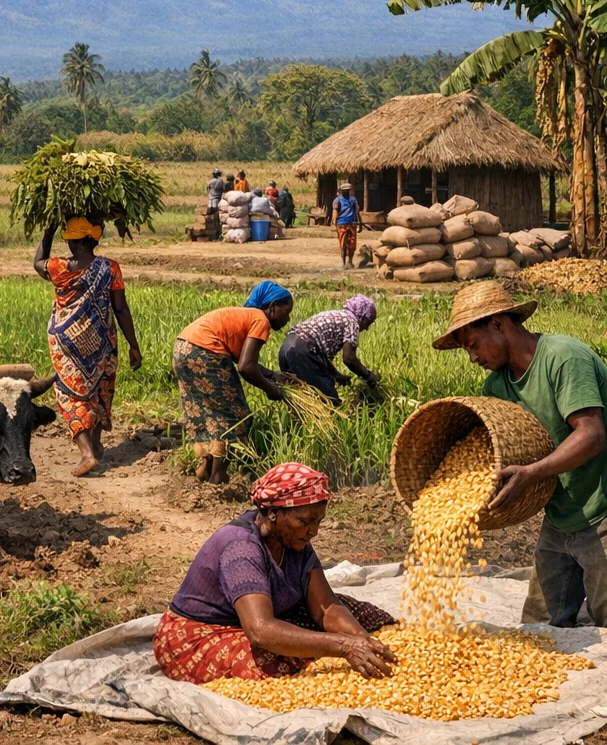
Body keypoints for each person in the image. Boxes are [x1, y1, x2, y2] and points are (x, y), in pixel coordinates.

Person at [434, 282, 607, 628]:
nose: (473, 358)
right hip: (560, 519)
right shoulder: (496, 387)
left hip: (602, 514)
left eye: (473, 344)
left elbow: (591, 434)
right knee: (537, 629)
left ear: (498, 324)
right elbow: (497, 451)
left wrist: (532, 473)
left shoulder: (562, 359)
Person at [154, 463, 396, 683]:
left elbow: (326, 607)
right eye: (305, 521)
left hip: (256, 617)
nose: (314, 531)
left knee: (360, 614)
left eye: (318, 521)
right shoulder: (241, 548)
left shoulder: (294, 540)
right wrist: (343, 646)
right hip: (199, 635)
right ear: (273, 514)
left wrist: (362, 641)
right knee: (285, 663)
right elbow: (260, 631)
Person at [35, 217, 142, 477]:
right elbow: (121, 308)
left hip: (67, 345)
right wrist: (133, 345)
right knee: (98, 390)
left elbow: (37, 263)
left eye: (69, 238)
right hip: (103, 342)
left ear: (77, 241)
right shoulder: (110, 268)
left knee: (69, 394)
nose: (68, 243)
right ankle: (94, 442)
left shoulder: (61, 267)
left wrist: (47, 230)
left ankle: (87, 453)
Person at [173, 283, 293, 484]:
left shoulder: (247, 316)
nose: (287, 318)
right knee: (235, 415)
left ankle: (206, 469)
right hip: (205, 352)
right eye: (287, 311)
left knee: (207, 413)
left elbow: (245, 360)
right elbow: (246, 368)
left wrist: (274, 376)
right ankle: (218, 475)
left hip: (184, 348)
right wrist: (271, 390)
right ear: (272, 306)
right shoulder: (260, 319)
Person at [277, 296, 380, 405]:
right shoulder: (352, 322)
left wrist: (336, 375)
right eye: (368, 322)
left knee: (301, 397)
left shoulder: (336, 314)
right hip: (302, 351)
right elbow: (349, 358)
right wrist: (368, 375)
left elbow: (318, 354)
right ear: (363, 317)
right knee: (330, 401)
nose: (367, 328)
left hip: (287, 348)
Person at [332, 182, 362, 270]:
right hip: (342, 224)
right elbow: (335, 213)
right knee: (343, 244)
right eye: (345, 191)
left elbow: (356, 212)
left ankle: (349, 262)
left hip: (351, 224)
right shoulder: (337, 200)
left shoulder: (353, 200)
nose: (346, 192)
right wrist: (335, 224)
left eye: (347, 191)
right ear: (342, 191)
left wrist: (360, 223)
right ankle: (344, 262)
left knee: (351, 244)